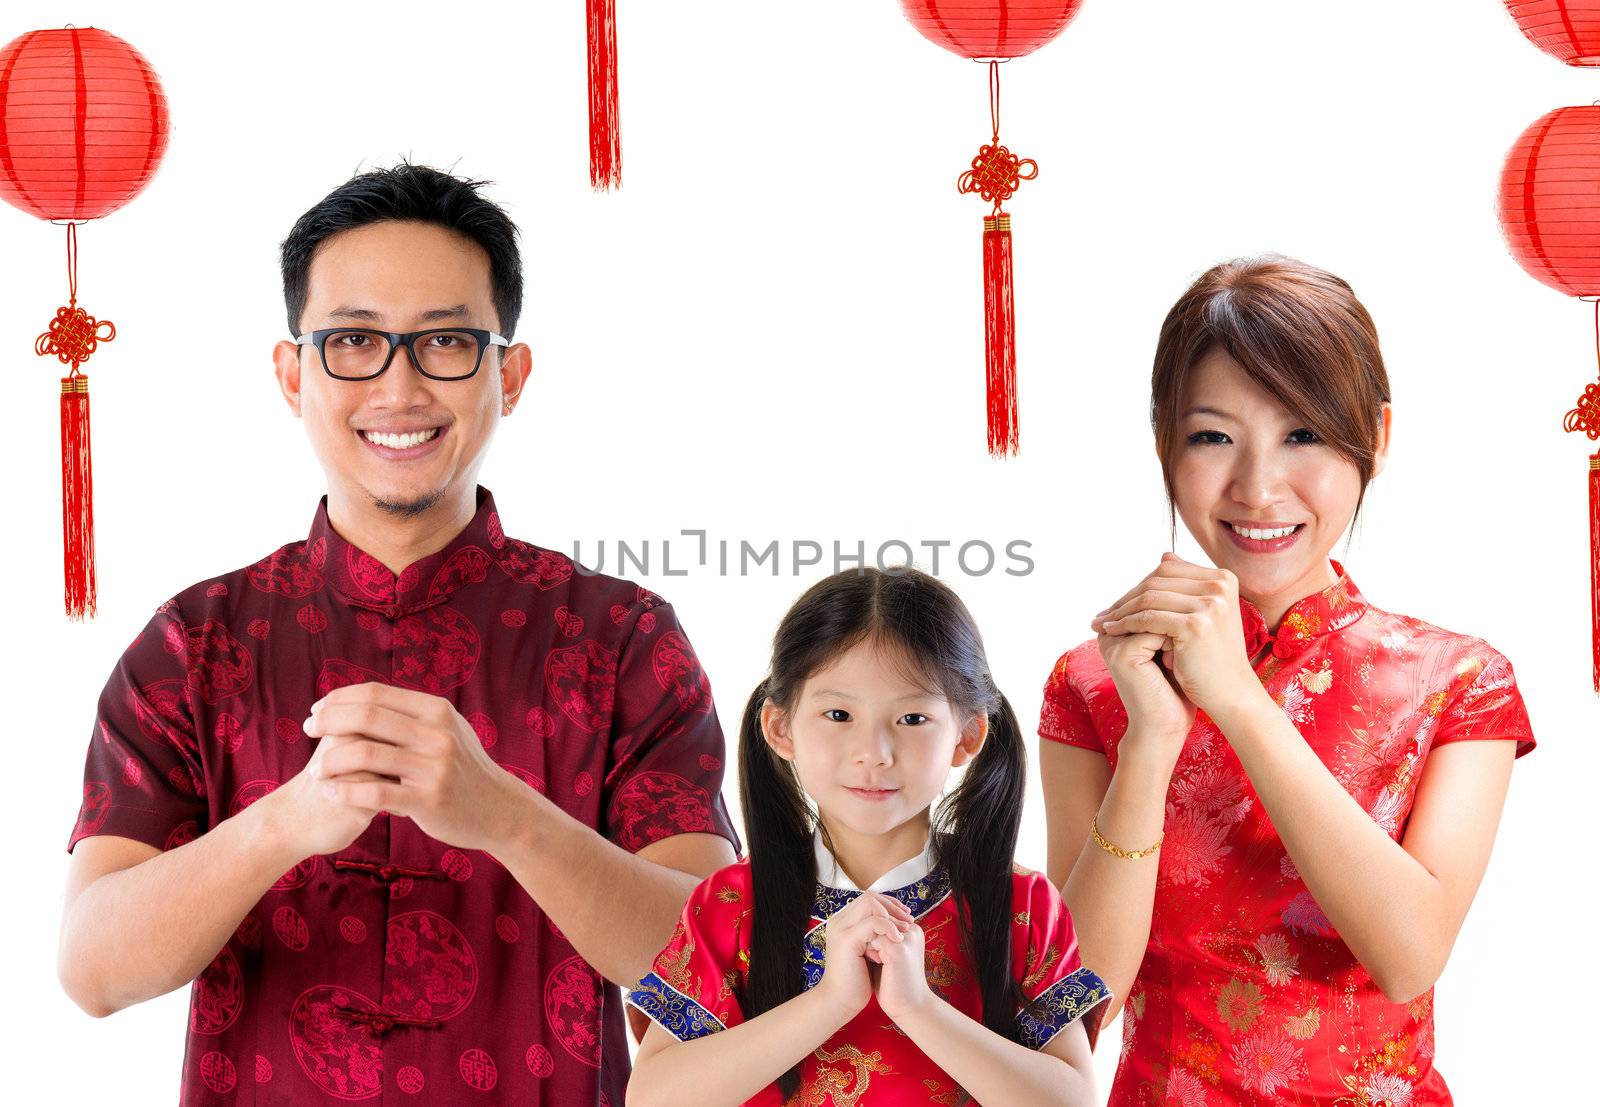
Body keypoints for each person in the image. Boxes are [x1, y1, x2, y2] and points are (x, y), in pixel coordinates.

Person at [57, 163, 739, 1105]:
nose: (400, 384)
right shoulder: (194, 644)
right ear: (293, 375)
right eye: (353, 342)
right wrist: (285, 822)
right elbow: (92, 967)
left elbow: (712, 968)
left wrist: (504, 815)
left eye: (448, 341)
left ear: (511, 373)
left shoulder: (621, 638)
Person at [1038, 256, 1536, 1105]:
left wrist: (1235, 698)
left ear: (1376, 435)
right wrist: (1151, 741)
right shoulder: (1095, 681)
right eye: (1213, 436)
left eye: (1302, 433)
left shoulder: (1459, 680)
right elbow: (1074, 1010)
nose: (1259, 488)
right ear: (1165, 440)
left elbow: (1409, 954)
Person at [627, 567, 1108, 1107]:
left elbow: (1074, 1100)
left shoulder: (1021, 905)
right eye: (838, 714)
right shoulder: (732, 904)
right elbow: (652, 1097)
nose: (874, 752)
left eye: (911, 718)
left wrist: (918, 1007)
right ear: (781, 729)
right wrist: (830, 1001)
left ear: (967, 736)